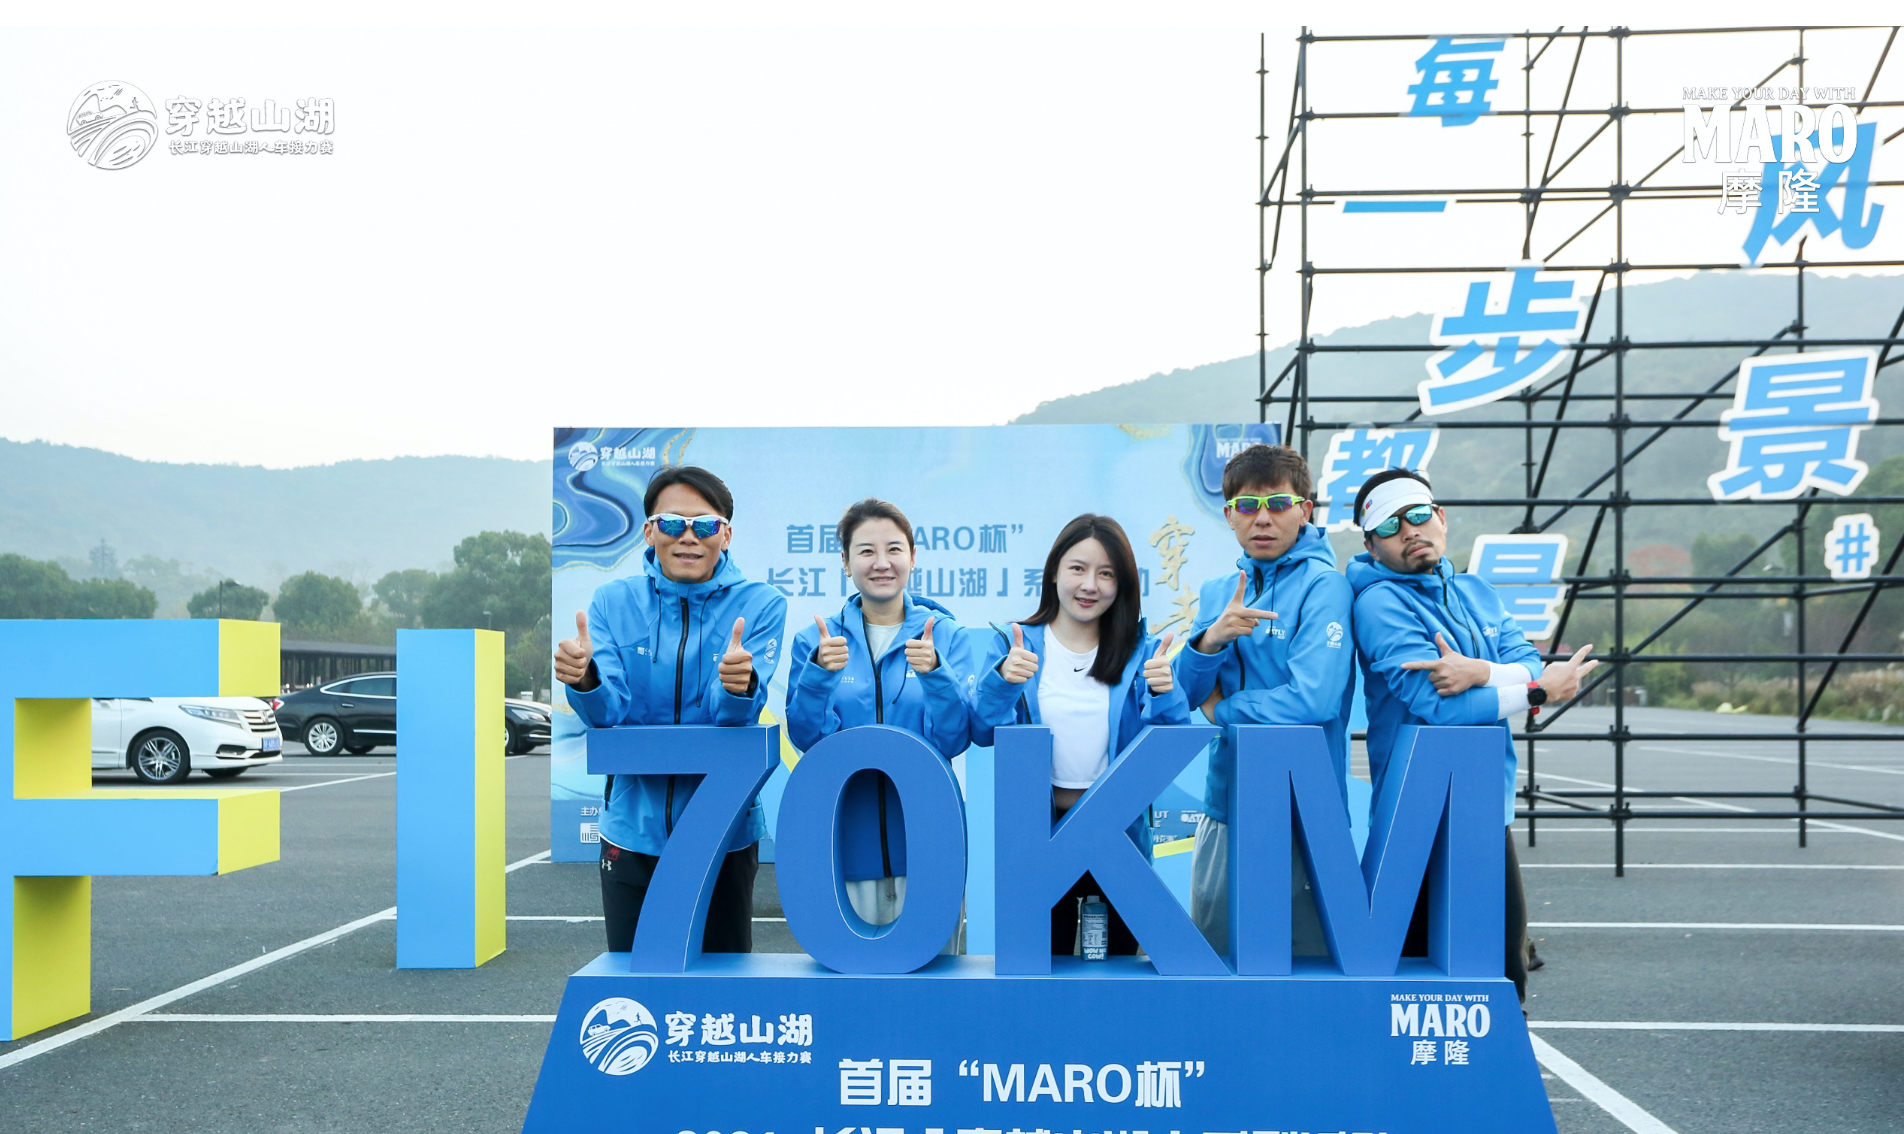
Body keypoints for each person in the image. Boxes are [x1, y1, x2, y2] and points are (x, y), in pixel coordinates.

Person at [1346, 467, 1597, 1002]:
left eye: (1418, 514)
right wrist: (1535, 691)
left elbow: (1526, 660)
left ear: (1440, 518)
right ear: (1371, 545)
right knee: (1404, 974)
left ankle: (1504, 1056)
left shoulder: (1476, 591)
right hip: (1415, 811)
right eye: (1389, 525)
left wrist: (1481, 672)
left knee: (1504, 969)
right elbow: (1438, 706)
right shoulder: (1377, 603)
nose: (1409, 530)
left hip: (1481, 801)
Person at [552, 465, 788, 955]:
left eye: (704, 525)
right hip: (630, 830)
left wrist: (737, 687)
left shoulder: (762, 604)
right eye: (672, 523)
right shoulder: (612, 601)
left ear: (725, 534)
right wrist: (585, 678)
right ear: (648, 531)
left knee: (722, 984)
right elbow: (607, 713)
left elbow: (735, 719)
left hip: (724, 831)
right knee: (635, 979)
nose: (688, 537)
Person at [969, 514, 1191, 956]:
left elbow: (1170, 746)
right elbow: (982, 730)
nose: (1090, 585)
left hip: (1118, 837)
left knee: (1118, 978)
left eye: (1106, 574)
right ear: (1054, 572)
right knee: (1037, 969)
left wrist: (1166, 693)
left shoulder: (1143, 653)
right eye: (1078, 568)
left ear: (1121, 585)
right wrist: (1002, 682)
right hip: (1040, 838)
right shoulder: (1016, 644)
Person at [1171, 444, 1355, 956]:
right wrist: (1210, 641)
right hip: (1227, 802)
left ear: (1305, 509)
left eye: (1278, 503)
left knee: (1308, 968)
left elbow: (1313, 700)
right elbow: (1182, 694)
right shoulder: (1218, 592)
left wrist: (1224, 711)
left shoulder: (1326, 587)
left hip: (1306, 807)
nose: (1263, 518)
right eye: (1247, 506)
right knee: (1217, 958)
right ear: (1229, 515)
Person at [783, 498, 975, 936]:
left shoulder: (946, 636)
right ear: (845, 562)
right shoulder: (816, 641)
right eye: (866, 551)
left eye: (894, 549)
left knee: (932, 972)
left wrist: (936, 676)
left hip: (930, 839)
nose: (881, 563)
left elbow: (954, 739)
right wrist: (818, 677)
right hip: (847, 841)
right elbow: (807, 738)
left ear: (913, 557)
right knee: (851, 973)